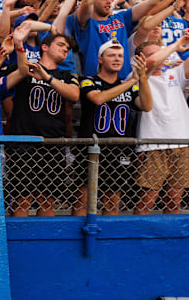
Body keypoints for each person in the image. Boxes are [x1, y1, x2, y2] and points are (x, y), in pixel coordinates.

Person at [73, 40, 152, 216]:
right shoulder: (88, 80)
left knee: (112, 202)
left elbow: (146, 106)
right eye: (111, 55)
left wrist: (143, 77)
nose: (117, 59)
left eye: (120, 56)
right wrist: (132, 81)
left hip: (118, 149)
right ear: (100, 59)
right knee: (82, 201)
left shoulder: (131, 86)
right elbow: (98, 99)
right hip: (90, 148)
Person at [6, 34, 80, 217]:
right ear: (45, 47)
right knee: (22, 201)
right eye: (61, 45)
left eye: (67, 48)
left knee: (48, 201)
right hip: (23, 142)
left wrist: (47, 78)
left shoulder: (67, 75)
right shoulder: (26, 69)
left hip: (52, 144)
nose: (65, 49)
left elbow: (74, 95)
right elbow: (4, 91)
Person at [133, 36, 189, 214]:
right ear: (139, 58)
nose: (160, 57)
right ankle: (138, 238)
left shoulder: (174, 73)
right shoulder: (136, 76)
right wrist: (175, 46)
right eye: (152, 54)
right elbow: (151, 63)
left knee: (174, 201)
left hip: (182, 143)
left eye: (160, 52)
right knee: (147, 201)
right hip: (153, 145)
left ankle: (170, 240)